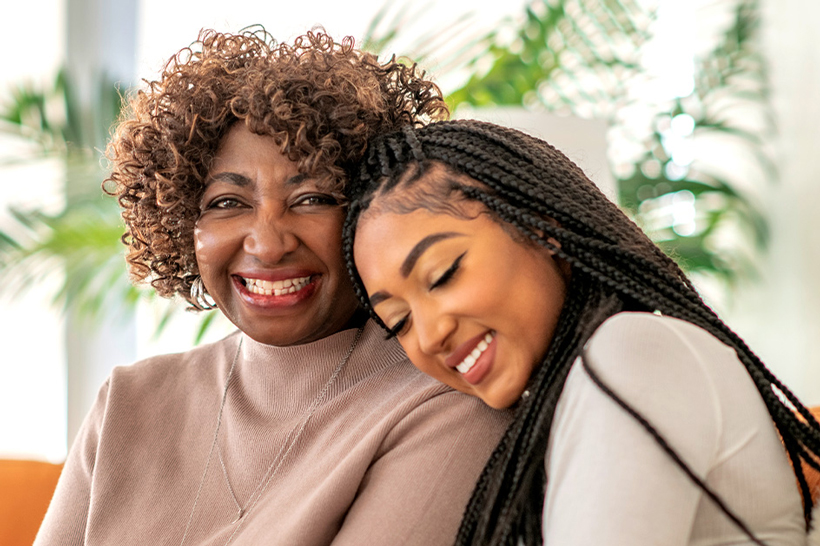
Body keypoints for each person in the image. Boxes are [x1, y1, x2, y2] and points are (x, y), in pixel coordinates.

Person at [34, 30, 511, 546]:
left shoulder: (445, 402)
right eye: (225, 203)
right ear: (179, 224)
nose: (267, 243)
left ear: (370, 211)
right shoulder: (128, 405)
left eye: (312, 197)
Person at [343, 119, 820, 545]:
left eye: (443, 274)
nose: (428, 336)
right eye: (398, 322)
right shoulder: (566, 399)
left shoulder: (632, 352)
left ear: (541, 225)